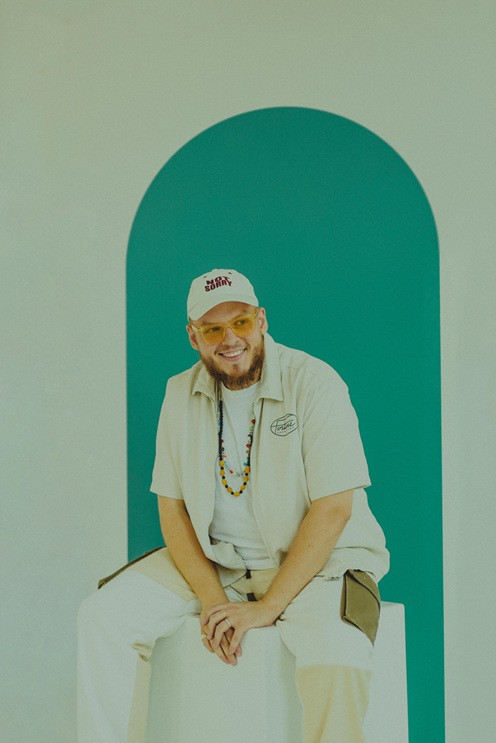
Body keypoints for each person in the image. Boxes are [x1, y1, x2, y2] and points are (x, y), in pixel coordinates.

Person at [77, 268, 389, 743]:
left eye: (240, 322)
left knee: (339, 655)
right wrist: (212, 599)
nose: (230, 339)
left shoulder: (314, 382)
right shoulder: (179, 394)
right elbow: (172, 510)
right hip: (220, 562)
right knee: (103, 617)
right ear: (193, 337)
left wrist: (268, 607)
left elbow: (334, 508)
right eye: (212, 329)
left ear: (261, 320)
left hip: (318, 564)